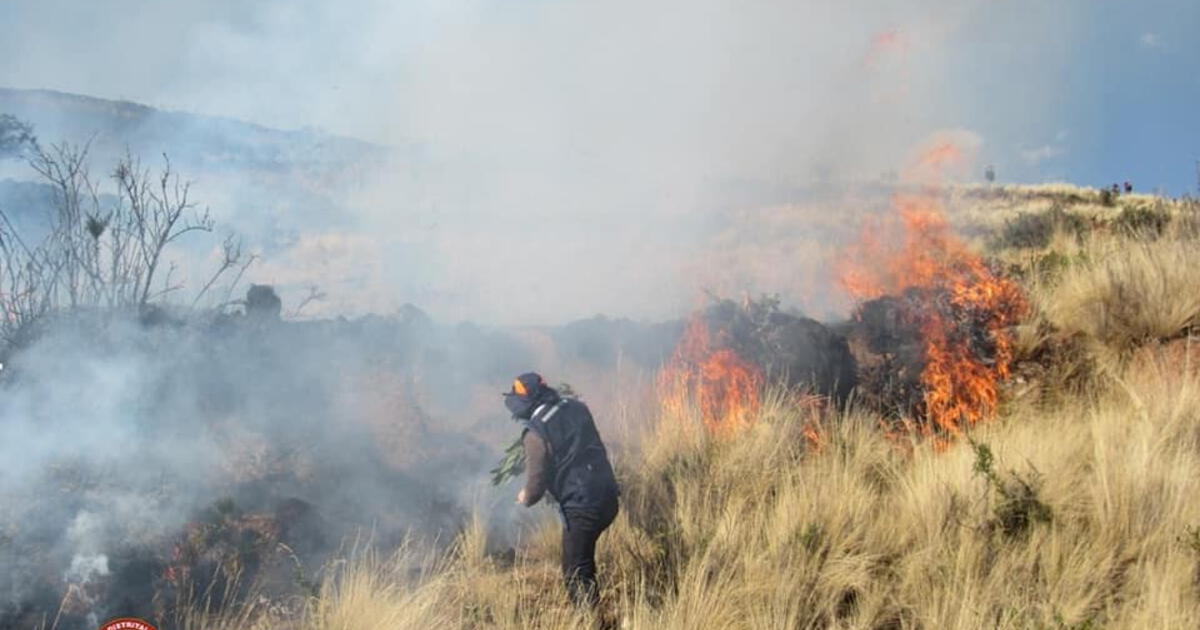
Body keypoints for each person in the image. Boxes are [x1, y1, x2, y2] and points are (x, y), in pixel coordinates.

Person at [504, 372, 620, 608]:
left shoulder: (535, 435)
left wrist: (525, 496)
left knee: (575, 571)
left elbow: (535, 486)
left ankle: (590, 621)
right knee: (583, 559)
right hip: (609, 496)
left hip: (582, 507)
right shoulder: (576, 406)